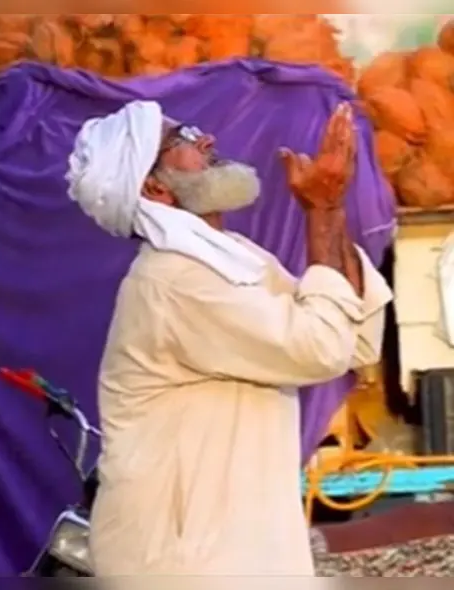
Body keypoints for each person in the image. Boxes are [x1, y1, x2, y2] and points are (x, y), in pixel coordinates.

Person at [65, 101, 392, 576]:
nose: (207, 140)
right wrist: (321, 210)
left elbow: (351, 339)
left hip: (233, 549)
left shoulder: (232, 258)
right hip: (184, 562)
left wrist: (331, 209)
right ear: (155, 186)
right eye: (184, 138)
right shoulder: (173, 282)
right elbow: (318, 348)